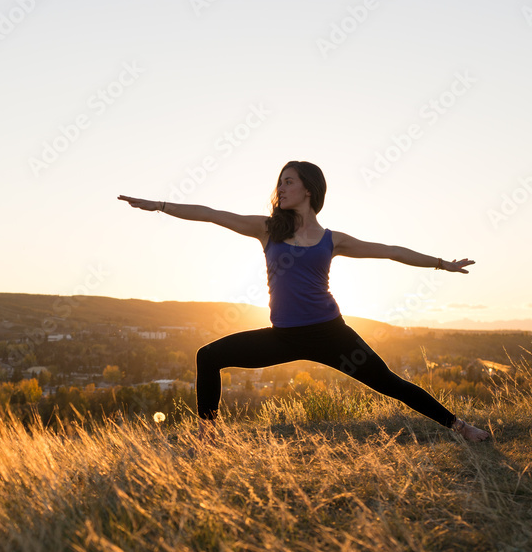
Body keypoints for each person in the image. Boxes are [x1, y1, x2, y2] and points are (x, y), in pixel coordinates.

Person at [117, 160, 490, 443]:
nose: (281, 187)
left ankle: (461, 427)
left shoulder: (332, 239)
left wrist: (442, 264)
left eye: (289, 181)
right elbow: (212, 215)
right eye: (279, 182)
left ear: (308, 189)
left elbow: (390, 251)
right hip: (284, 336)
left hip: (332, 335)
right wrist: (160, 205)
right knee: (208, 356)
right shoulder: (267, 229)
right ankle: (210, 437)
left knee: (389, 382)